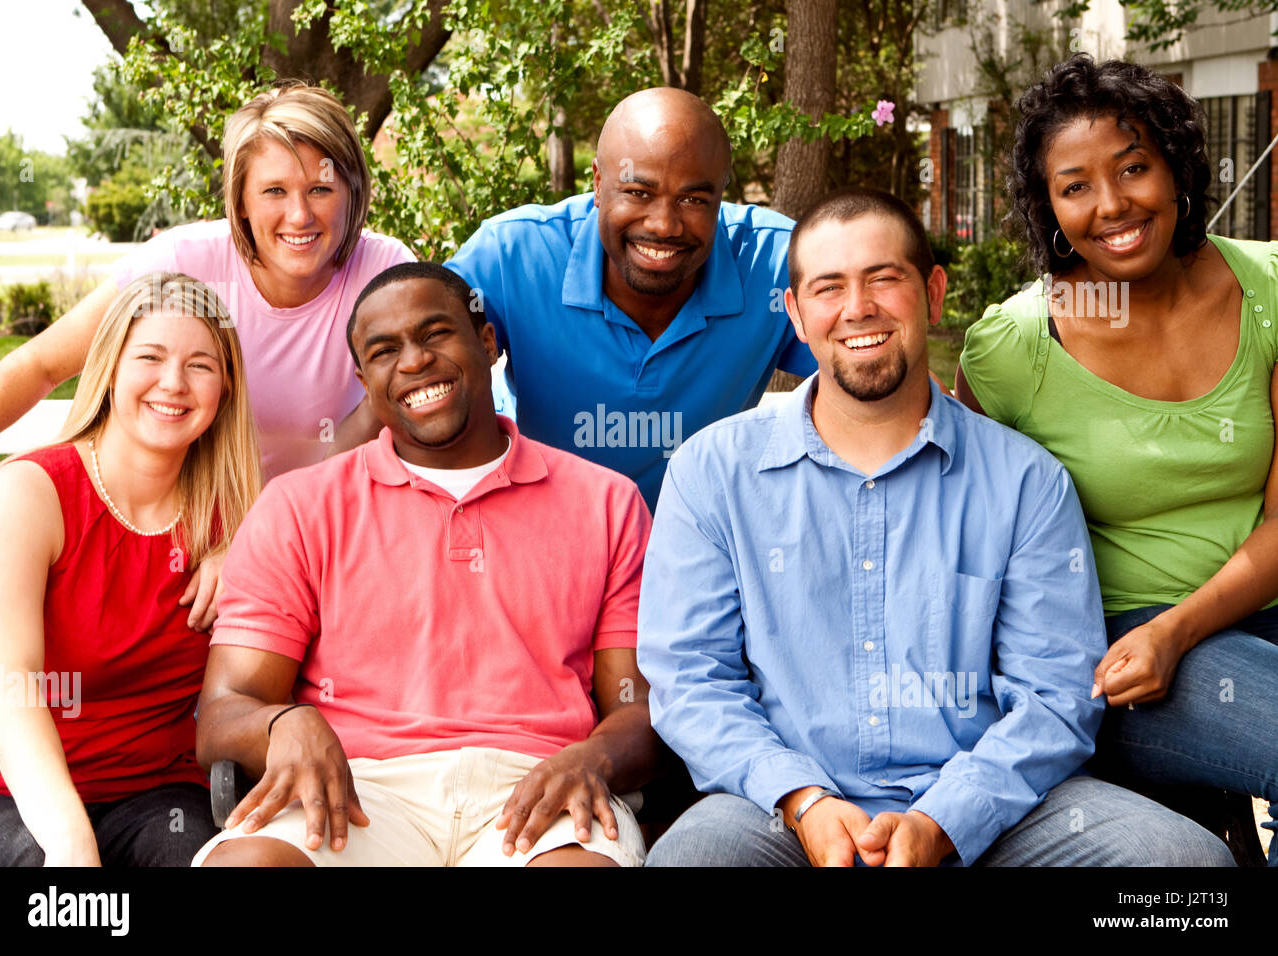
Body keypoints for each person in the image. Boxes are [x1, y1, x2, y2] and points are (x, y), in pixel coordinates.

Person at [638, 187, 1233, 867]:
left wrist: (945, 819)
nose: (858, 308)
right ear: (797, 315)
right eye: (829, 287)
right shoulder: (713, 470)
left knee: (1184, 870)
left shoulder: (1025, 481)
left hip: (998, 811)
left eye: (883, 279)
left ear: (934, 293)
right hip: (782, 813)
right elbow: (691, 679)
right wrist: (800, 797)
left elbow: (1056, 695)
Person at [191, 262, 659, 867]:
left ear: (487, 343)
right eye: (385, 351)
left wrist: (594, 758)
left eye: (436, 334)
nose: (413, 361)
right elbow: (226, 708)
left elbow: (637, 705)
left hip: (541, 786)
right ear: (364, 378)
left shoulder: (606, 501)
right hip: (355, 789)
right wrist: (283, 724)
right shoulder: (300, 506)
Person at [956, 54, 1278, 864]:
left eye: (1134, 168)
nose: (1112, 206)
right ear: (1048, 207)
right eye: (1075, 186)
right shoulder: (1016, 347)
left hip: (1242, 610)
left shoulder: (1268, 291)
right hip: (1128, 652)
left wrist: (1185, 626)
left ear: (1176, 166)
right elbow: (956, 529)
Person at [0, 81, 415, 484]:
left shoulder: (386, 274)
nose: (299, 215)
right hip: (188, 516)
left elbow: (398, 409)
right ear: (240, 202)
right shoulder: (182, 261)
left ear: (352, 191)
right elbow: (40, 365)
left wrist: (273, 526)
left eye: (320, 189)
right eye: (274, 191)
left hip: (318, 522)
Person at [0, 273, 262, 866]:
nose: (173, 383)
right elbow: (8, 683)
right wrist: (71, 842)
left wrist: (243, 543)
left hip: (156, 791)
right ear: (107, 368)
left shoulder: (236, 518)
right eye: (150, 357)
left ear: (226, 387)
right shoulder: (30, 493)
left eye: (200, 365)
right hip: (10, 789)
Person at [437, 87, 816, 510]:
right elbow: (410, 362)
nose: (664, 225)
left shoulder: (773, 263)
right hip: (541, 530)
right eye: (638, 192)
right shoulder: (513, 256)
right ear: (599, 184)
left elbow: (875, 369)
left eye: (693, 199)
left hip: (696, 543)